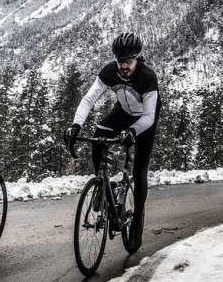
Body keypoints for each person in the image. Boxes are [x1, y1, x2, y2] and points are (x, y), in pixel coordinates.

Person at [64, 31, 161, 253]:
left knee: (139, 170)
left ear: (137, 58)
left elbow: (149, 116)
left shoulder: (147, 77)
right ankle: (104, 185)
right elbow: (89, 98)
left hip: (145, 119)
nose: (123, 65)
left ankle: (136, 221)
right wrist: (76, 126)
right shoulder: (110, 71)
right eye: (119, 60)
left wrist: (133, 132)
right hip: (123, 112)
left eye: (128, 61)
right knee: (98, 137)